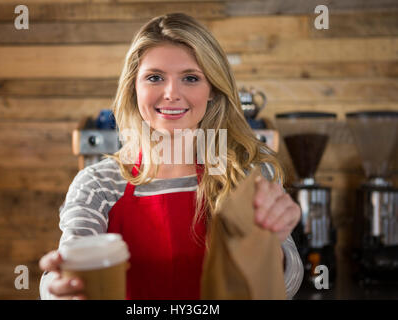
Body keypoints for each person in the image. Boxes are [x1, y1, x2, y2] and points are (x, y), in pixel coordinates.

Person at [39, 12, 303, 300]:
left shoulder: (247, 175)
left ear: (212, 89)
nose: (171, 93)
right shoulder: (98, 185)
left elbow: (287, 284)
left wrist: (268, 243)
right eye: (154, 77)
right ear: (133, 87)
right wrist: (59, 288)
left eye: (190, 78)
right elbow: (68, 261)